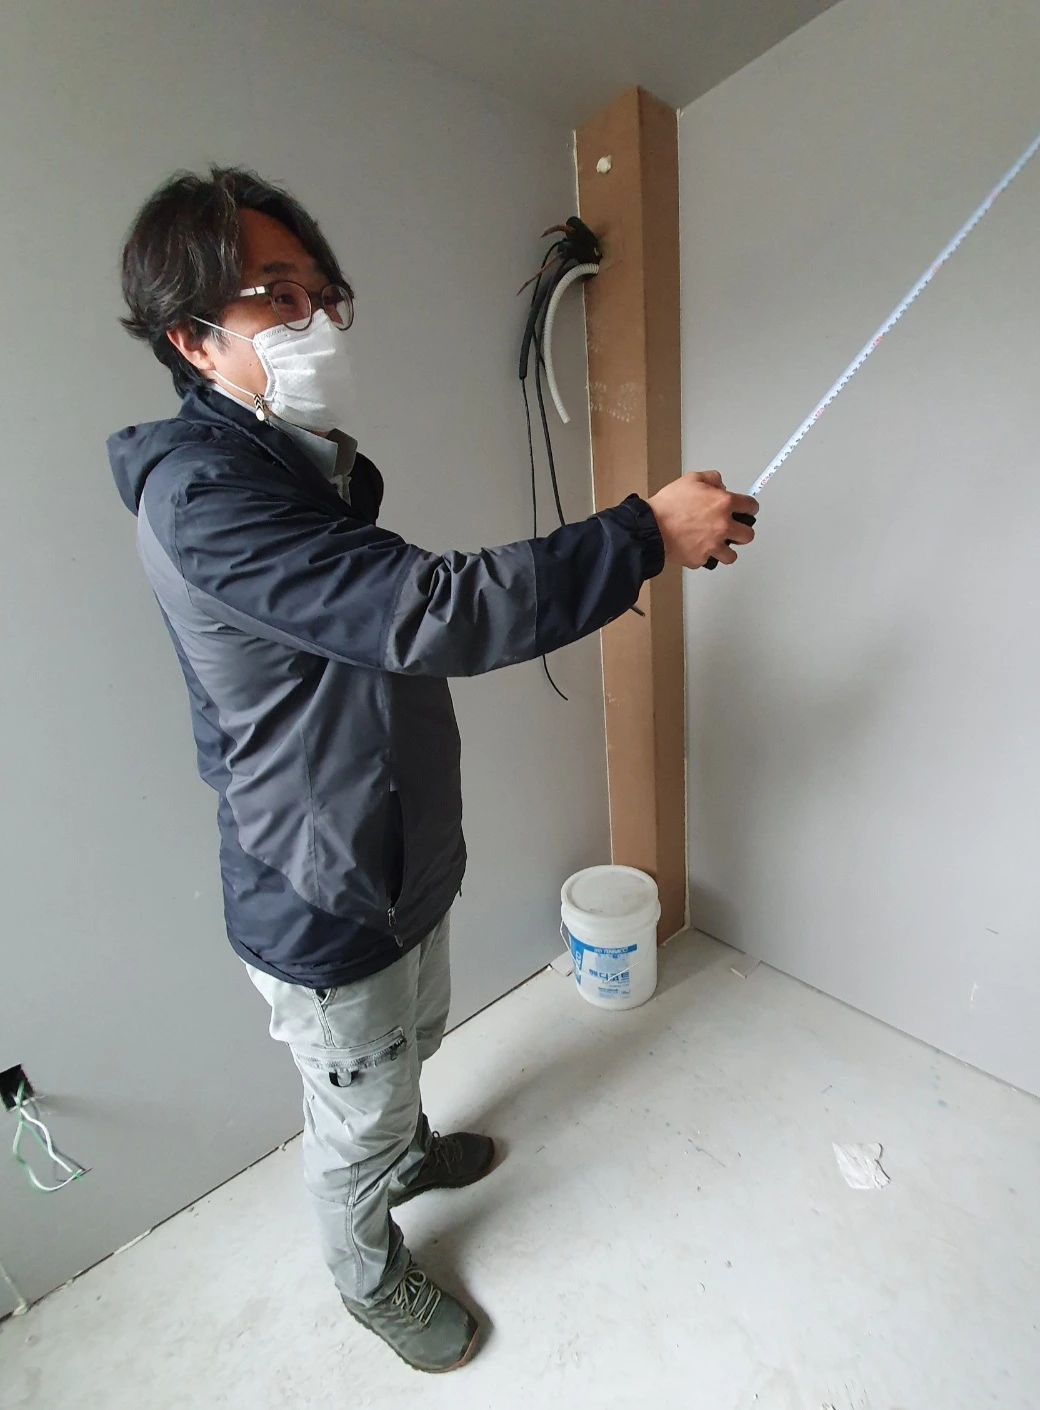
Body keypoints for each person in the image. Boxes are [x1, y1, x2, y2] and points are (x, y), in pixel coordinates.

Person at [108, 166, 758, 1373]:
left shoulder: (300, 469)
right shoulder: (206, 498)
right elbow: (430, 611)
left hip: (393, 843)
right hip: (318, 886)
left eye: (323, 293)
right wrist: (643, 536)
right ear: (193, 340)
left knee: (410, 1041)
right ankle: (369, 1277)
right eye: (277, 296)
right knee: (351, 1113)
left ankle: (407, 1151)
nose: (317, 320)